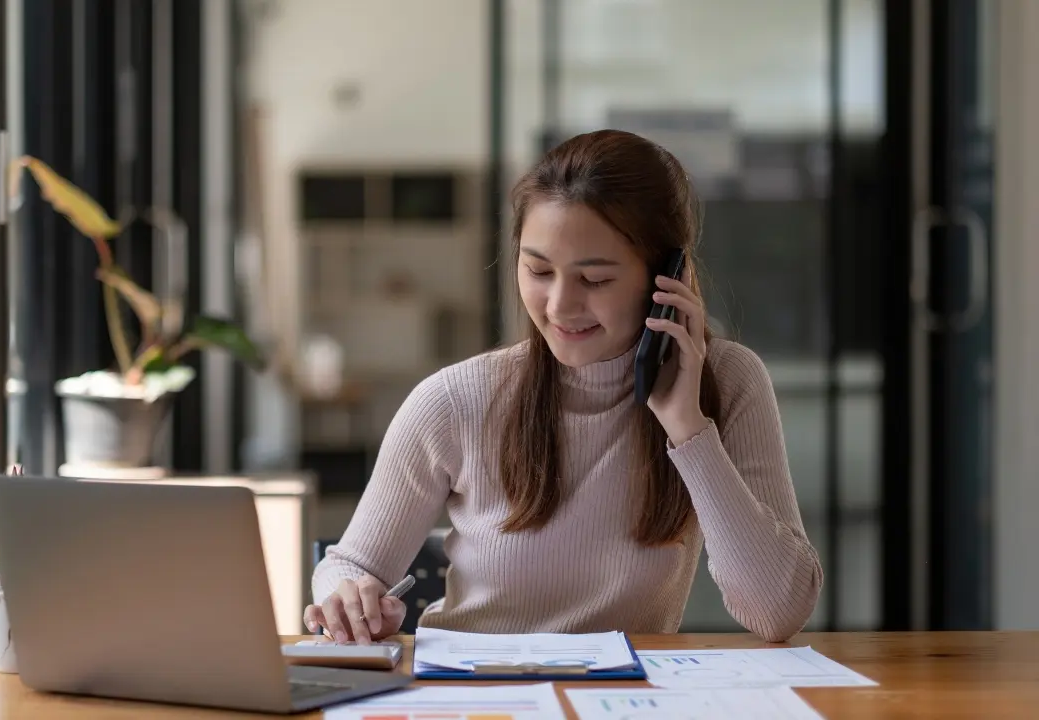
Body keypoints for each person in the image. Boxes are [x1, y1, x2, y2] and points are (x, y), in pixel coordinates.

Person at [304, 129, 822, 645]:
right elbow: (350, 564)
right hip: (476, 695)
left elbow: (777, 611)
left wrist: (688, 427)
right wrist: (349, 596)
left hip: (621, 699)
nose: (558, 306)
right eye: (538, 270)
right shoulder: (455, 400)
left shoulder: (727, 382)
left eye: (594, 280)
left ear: (668, 279)